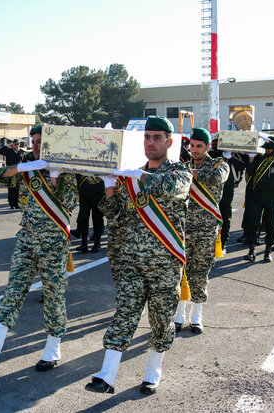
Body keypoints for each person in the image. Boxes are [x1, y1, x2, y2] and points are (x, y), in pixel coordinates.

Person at [85, 116, 192, 395]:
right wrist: (109, 184)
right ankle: (107, 375)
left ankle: (152, 372)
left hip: (165, 262)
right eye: (147, 137)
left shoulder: (179, 172)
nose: (151, 142)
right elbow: (115, 214)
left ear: (169, 142)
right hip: (132, 258)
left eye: (157, 138)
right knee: (125, 314)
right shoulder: (132, 176)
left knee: (161, 319)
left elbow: (171, 188)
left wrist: (137, 176)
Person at [0, 124, 78, 370]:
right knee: (14, 289)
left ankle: (53, 347)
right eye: (34, 141)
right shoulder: (28, 168)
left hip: (53, 242)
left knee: (54, 295)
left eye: (42, 142)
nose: (37, 146)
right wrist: (22, 166)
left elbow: (69, 202)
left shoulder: (65, 171)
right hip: (27, 238)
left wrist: (55, 176)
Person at [175, 128, 228, 334]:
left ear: (207, 147)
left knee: (201, 273)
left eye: (199, 146)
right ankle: (179, 315)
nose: (194, 149)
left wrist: (190, 173)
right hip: (183, 229)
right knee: (181, 274)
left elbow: (217, 177)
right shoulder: (183, 166)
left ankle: (196, 316)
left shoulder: (219, 165)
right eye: (192, 145)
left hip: (207, 230)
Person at [243, 135, 274, 262]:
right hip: (257, 196)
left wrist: (271, 142)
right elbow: (251, 173)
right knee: (254, 223)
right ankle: (252, 251)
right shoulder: (260, 159)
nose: (267, 150)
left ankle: (268, 252)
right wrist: (251, 160)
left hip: (272, 197)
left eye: (269, 148)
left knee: (271, 225)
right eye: (266, 148)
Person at [209, 139, 246, 253]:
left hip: (226, 189)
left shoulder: (230, 155)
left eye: (218, 142)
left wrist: (230, 157)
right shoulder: (210, 154)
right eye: (214, 142)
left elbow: (242, 166)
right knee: (210, 216)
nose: (216, 145)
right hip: (211, 189)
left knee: (225, 215)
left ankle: (223, 242)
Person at [71, 175, 105, 252]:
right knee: (83, 216)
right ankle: (84, 244)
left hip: (98, 191)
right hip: (84, 191)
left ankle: (97, 243)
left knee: (97, 217)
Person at [0, 138, 23, 209]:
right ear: (13, 145)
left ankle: (17, 204)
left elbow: (24, 161)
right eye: (15, 144)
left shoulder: (21, 152)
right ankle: (11, 204)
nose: (16, 146)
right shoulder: (8, 151)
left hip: (18, 172)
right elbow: (0, 151)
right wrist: (7, 146)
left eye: (18, 144)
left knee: (17, 189)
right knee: (11, 188)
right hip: (10, 172)